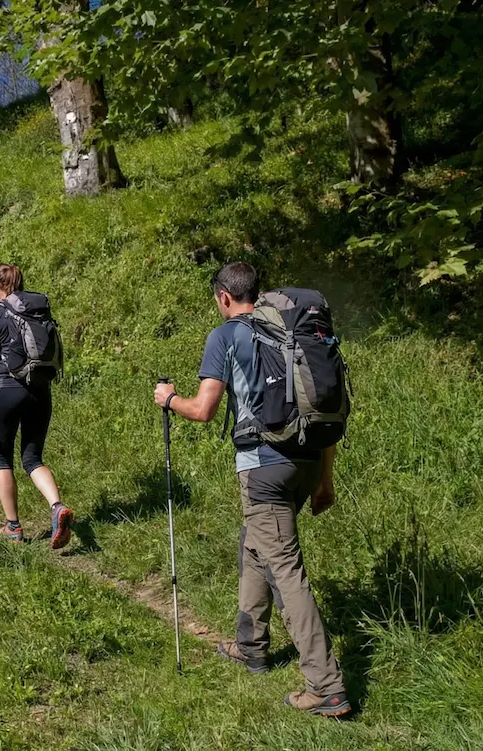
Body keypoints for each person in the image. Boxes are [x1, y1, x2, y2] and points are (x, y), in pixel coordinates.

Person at [152, 261, 351, 718]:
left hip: (263, 467)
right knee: (256, 546)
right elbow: (315, 412)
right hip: (305, 462)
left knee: (287, 571)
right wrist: (324, 480)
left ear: (224, 297)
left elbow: (204, 409)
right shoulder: (286, 332)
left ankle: (326, 685)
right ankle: (251, 645)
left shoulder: (227, 335)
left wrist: (168, 400)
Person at [0, 264, 74, 549]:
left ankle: (14, 528)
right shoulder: (38, 309)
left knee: (2, 458)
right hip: (40, 391)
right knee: (33, 458)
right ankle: (57, 507)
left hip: (7, 390)